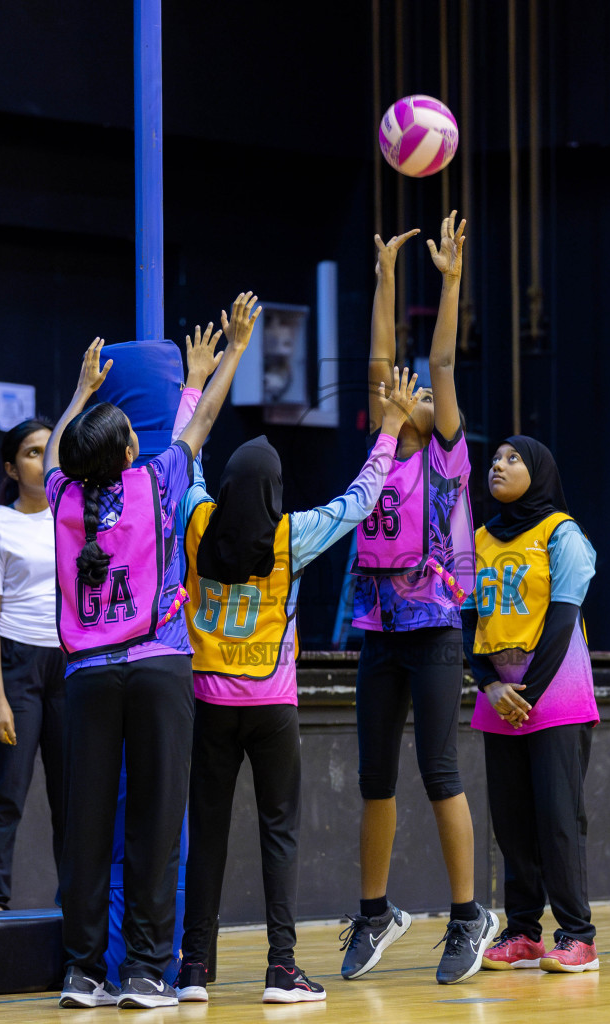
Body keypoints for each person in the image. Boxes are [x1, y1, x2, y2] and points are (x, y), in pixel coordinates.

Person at [173, 369, 422, 1005]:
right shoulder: (291, 536)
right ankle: (281, 968)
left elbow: (185, 459)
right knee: (278, 835)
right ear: (276, 490)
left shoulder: (198, 522)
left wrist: (194, 388)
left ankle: (193, 969)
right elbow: (362, 499)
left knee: (205, 837)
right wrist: (389, 430)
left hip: (208, 706)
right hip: (273, 710)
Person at [46, 293, 258, 1010]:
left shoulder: (63, 496)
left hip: (87, 675)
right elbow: (199, 422)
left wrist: (80, 392)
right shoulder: (158, 481)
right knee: (157, 823)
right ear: (130, 448)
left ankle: (82, 973)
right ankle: (143, 970)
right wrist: (228, 352)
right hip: (159, 664)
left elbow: (55, 448)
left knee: (85, 825)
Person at [341, 212, 499, 986]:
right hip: (379, 628)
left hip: (436, 627)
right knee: (376, 776)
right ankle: (375, 910)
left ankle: (469, 915)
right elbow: (380, 359)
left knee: (439, 770)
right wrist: (382, 278)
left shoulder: (447, 450)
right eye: (404, 396)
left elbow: (438, 358)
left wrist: (449, 278)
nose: (417, 394)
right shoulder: (383, 442)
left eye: (426, 396)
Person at [468, 437, 600, 974]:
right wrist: (488, 686)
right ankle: (523, 932)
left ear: (539, 471)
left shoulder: (562, 534)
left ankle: (578, 936)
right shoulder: (475, 539)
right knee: (512, 824)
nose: (498, 465)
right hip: (500, 698)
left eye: (512, 459)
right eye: (496, 459)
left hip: (556, 693)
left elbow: (563, 622)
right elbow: (467, 623)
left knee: (557, 819)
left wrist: (527, 695)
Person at [0, 417, 65, 913]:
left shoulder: (75, 516)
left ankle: (78, 904)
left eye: (51, 449)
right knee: (6, 794)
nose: (44, 458)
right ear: (11, 466)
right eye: (31, 452)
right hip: (17, 662)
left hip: (70, 665)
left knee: (74, 798)